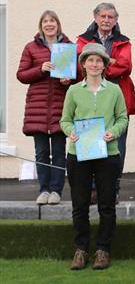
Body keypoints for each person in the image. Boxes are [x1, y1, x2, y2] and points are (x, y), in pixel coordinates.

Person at [61, 43, 128, 270]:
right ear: (83, 64)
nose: (94, 64)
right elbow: (65, 120)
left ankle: (103, 250)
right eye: (90, 60)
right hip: (78, 154)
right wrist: (70, 131)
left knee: (106, 205)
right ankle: (81, 250)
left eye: (99, 60)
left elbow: (122, 118)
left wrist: (114, 132)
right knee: (80, 205)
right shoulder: (73, 90)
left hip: (107, 154)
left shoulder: (114, 90)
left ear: (104, 65)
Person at [77, 2, 135, 203]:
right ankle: (93, 189)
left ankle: (113, 188)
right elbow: (82, 65)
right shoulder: (82, 40)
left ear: (116, 20)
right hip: (91, 97)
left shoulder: (124, 42)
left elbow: (125, 67)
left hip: (117, 97)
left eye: (110, 17)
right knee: (92, 143)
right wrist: (110, 61)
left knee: (116, 146)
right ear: (95, 18)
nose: (106, 20)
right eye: (102, 16)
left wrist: (99, 64)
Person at [16, 10, 72, 205]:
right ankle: (44, 190)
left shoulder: (67, 46)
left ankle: (56, 191)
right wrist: (40, 69)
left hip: (60, 106)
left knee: (58, 152)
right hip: (37, 109)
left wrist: (68, 80)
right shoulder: (31, 48)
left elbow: (78, 76)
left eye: (53, 21)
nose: (49, 24)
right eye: (46, 21)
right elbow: (21, 75)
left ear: (58, 24)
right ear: (41, 25)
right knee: (41, 152)